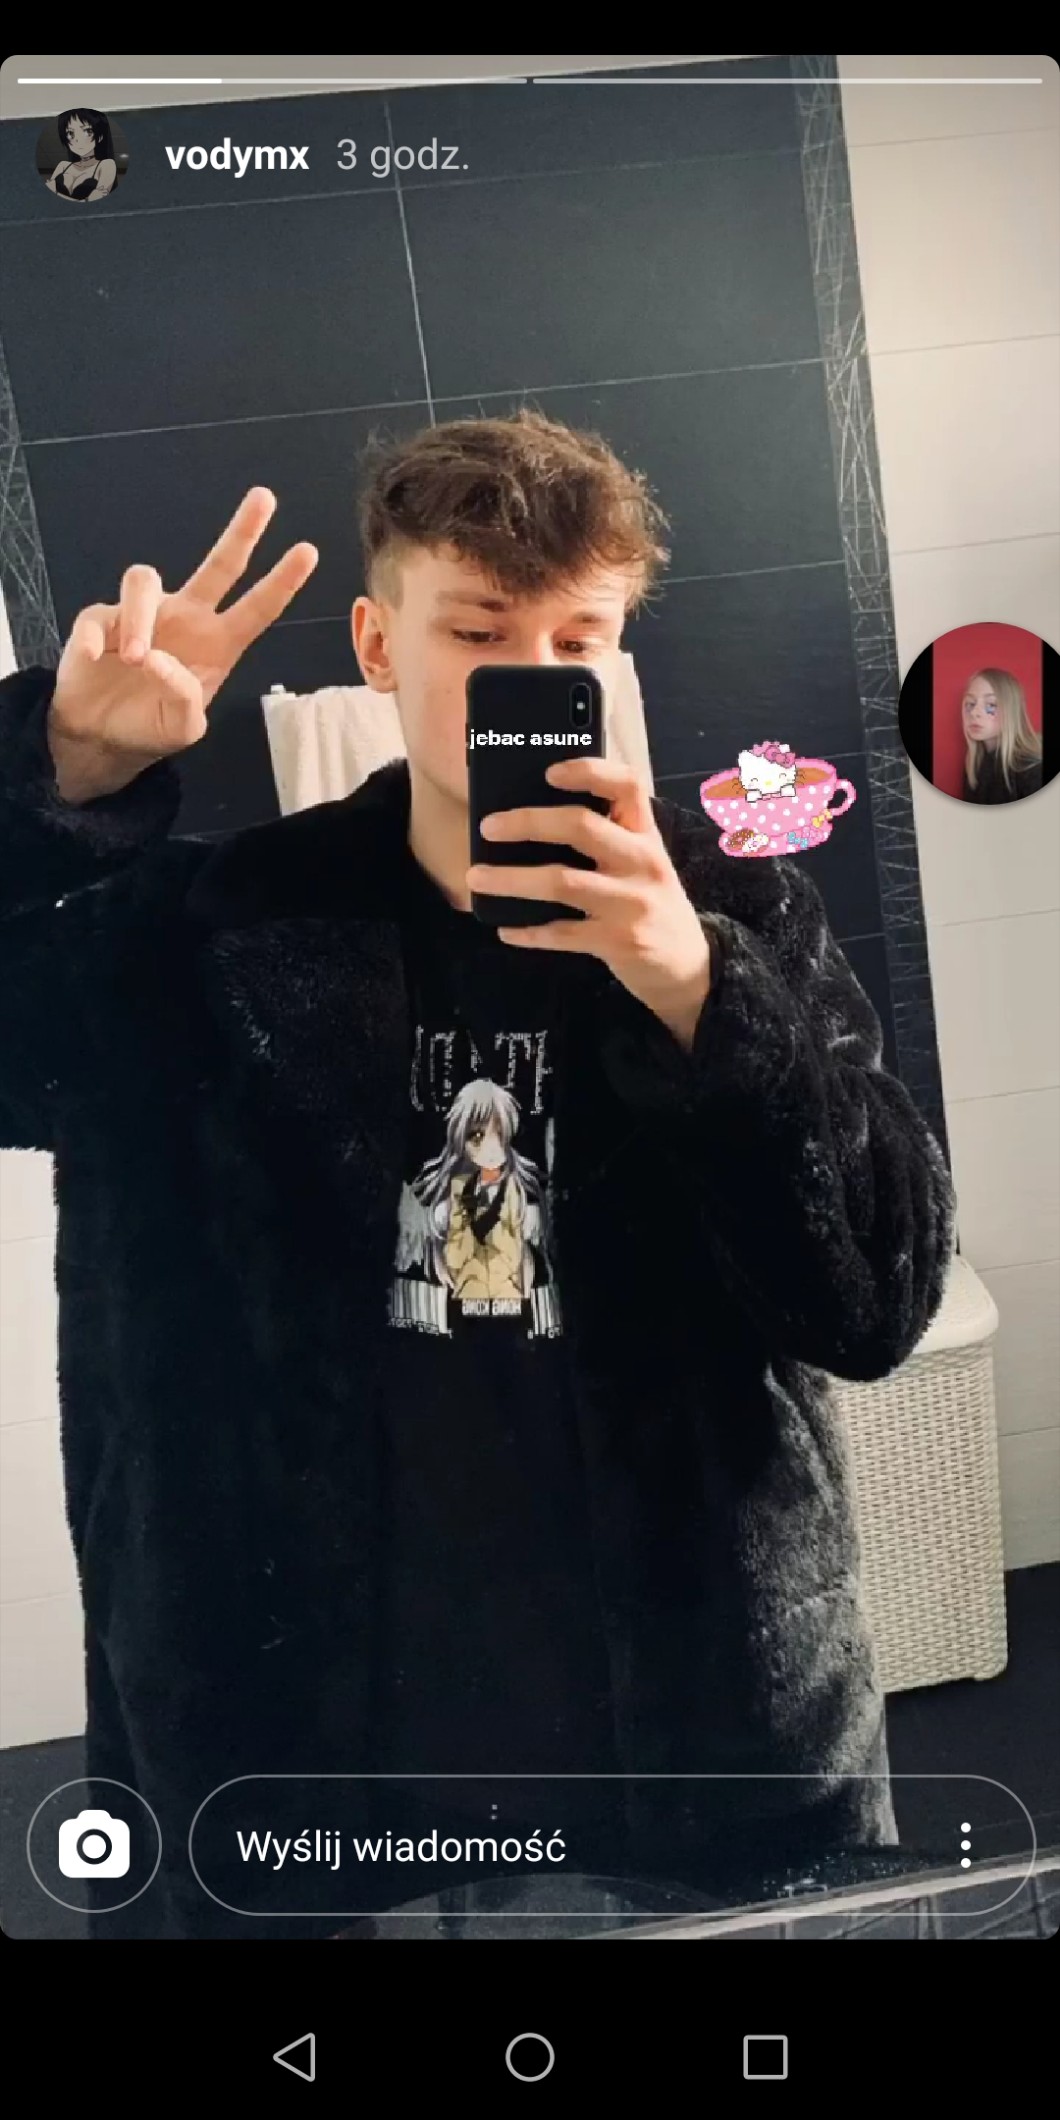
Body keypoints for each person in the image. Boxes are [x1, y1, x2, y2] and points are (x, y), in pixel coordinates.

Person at [0, 412, 955, 1939]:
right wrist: (59, 778)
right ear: (379, 644)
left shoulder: (739, 920)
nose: (531, 670)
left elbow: (877, 1301)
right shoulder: (208, 936)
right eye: (480, 629)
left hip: (701, 1724)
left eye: (577, 637)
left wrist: (700, 995)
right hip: (309, 1734)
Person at [960, 667, 1043, 802]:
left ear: (1011, 710)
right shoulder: (973, 763)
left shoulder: (1033, 769)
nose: (975, 712)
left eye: (991, 704)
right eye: (971, 703)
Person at [45, 108, 117, 202]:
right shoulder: (63, 165)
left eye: (87, 131)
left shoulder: (106, 165)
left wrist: (55, 192)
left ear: (100, 137)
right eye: (70, 133)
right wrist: (87, 199)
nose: (77, 140)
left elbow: (98, 202)